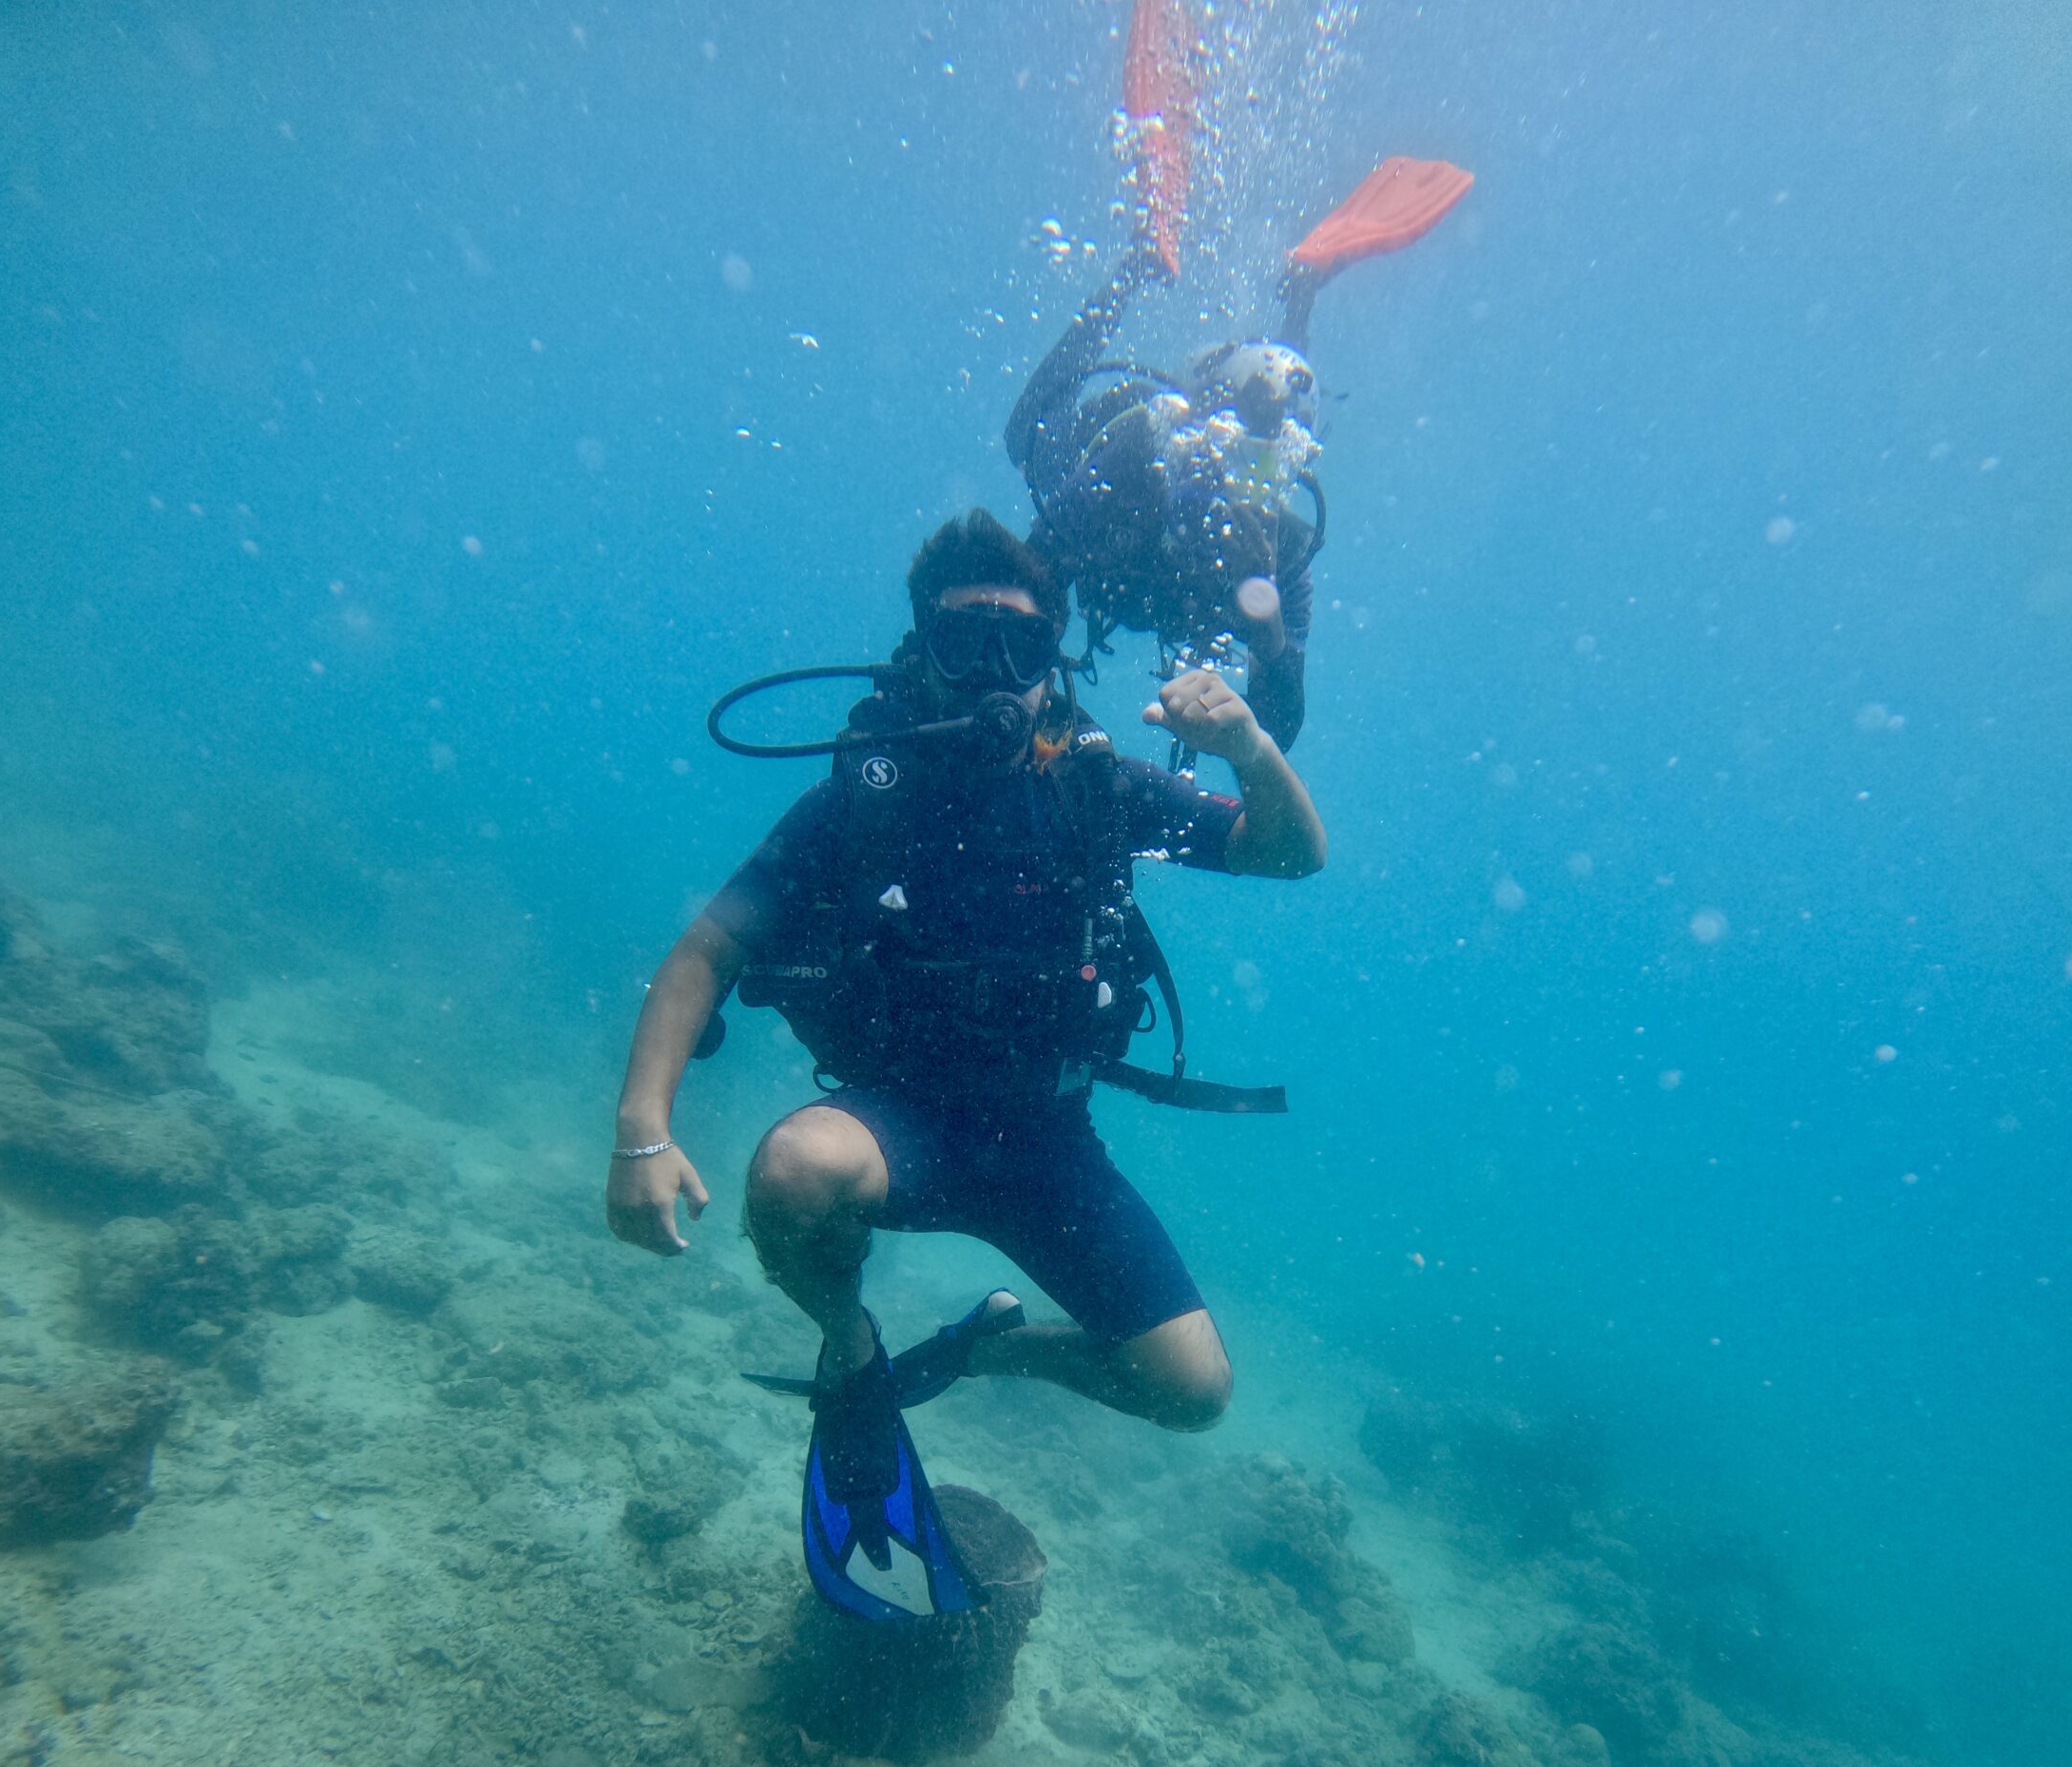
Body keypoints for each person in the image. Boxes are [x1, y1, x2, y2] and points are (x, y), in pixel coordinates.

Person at [605, 509, 1324, 1619]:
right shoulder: (861, 798)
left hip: (1048, 1147)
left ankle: (989, 1349)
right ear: (918, 655)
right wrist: (640, 1131)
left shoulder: (1096, 786)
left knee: (1192, 1394)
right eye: (963, 645)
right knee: (791, 1171)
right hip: (899, 1125)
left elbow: (1286, 853)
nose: (996, 676)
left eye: (1023, 649)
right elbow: (705, 951)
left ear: (1055, 665)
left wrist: (1248, 745)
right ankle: (848, 1345)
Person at [1007, 154, 1473, 754]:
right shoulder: (1129, 469)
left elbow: (1277, 733)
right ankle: (1140, 265)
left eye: (1261, 471)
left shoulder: (1278, 557)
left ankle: (1301, 288)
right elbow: (1028, 569)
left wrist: (1268, 630)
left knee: (1269, 409)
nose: (1228, 493)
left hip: (1177, 522)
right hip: (1104, 449)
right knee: (1028, 434)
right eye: (1220, 464)